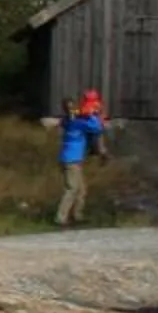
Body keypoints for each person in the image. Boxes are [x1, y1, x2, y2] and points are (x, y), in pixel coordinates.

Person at [54, 88, 110, 227]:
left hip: (71, 159)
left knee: (81, 190)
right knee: (72, 189)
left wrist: (84, 113)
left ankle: (77, 216)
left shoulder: (67, 120)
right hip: (70, 160)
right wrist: (92, 114)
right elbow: (96, 128)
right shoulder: (76, 122)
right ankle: (61, 218)